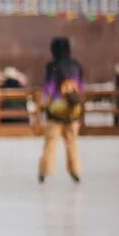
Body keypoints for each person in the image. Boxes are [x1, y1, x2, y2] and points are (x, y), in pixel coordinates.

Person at [39, 37, 85, 183]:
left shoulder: (53, 66)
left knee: (51, 142)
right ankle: (75, 170)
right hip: (73, 111)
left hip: (56, 112)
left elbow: (49, 88)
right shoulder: (76, 65)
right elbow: (81, 87)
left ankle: (45, 171)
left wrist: (44, 104)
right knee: (72, 142)